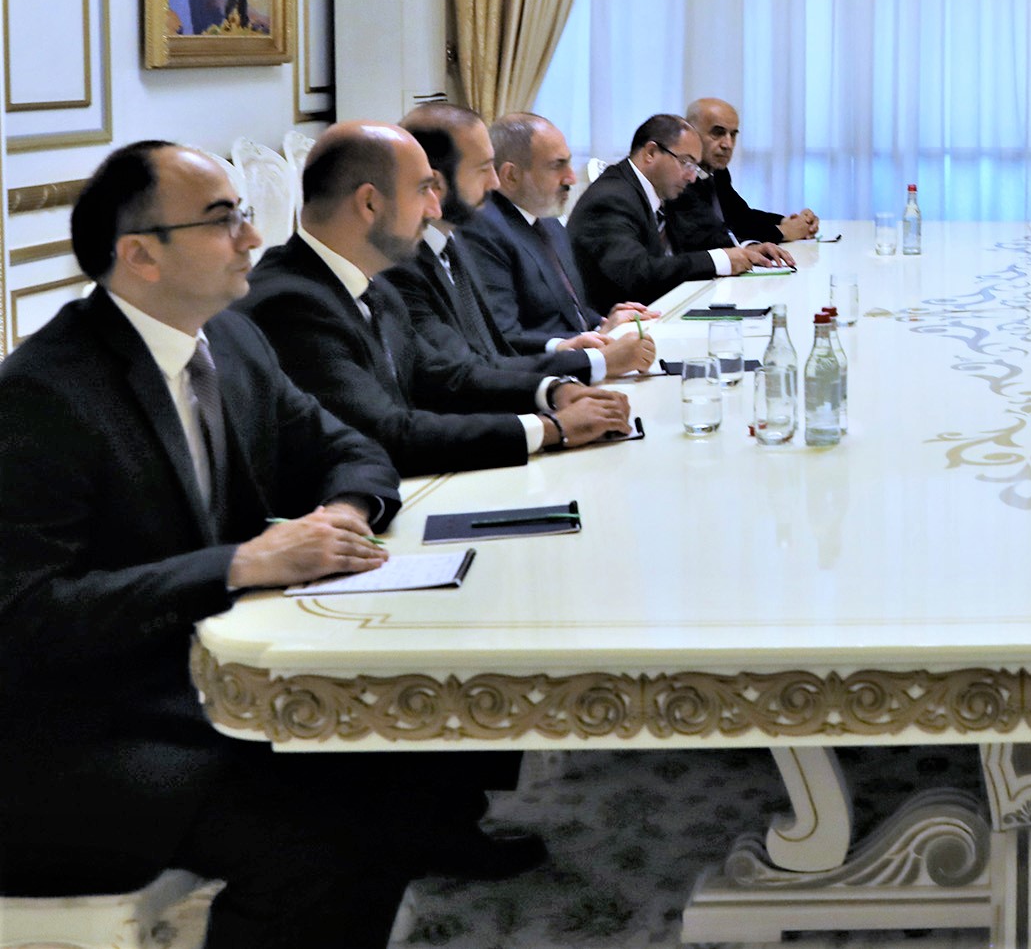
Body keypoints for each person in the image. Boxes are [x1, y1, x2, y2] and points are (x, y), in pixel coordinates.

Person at [0, 142, 480, 948]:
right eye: (224, 220)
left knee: (405, 766)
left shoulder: (232, 341)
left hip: (206, 686)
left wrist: (345, 511)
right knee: (320, 833)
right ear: (141, 255)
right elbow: (27, 616)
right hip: (75, 737)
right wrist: (240, 564)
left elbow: (351, 448)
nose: (254, 238)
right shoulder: (44, 394)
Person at [239, 122, 632, 476]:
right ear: (370, 203)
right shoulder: (290, 302)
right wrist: (551, 428)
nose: (434, 207)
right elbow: (387, 432)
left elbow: (447, 376)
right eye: (423, 189)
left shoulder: (373, 283)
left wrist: (553, 390)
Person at [386, 104, 655, 381]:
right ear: (434, 184)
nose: (494, 183)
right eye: (483, 169)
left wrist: (587, 339)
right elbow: (467, 371)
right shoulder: (410, 263)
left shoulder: (452, 243)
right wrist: (593, 363)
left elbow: (493, 351)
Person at [461, 111, 659, 347]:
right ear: (511, 175)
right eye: (557, 165)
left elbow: (568, 308)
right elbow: (505, 337)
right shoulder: (483, 232)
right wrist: (581, 343)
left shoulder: (549, 221)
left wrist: (604, 323)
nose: (571, 178)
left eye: (569, 162)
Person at [568, 112, 793, 310]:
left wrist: (744, 251)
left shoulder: (650, 191)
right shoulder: (613, 197)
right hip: (617, 327)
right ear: (651, 152)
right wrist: (719, 260)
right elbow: (637, 273)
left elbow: (690, 245)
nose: (692, 177)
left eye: (695, 167)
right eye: (686, 163)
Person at [667, 97, 819, 249]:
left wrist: (788, 221)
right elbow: (706, 236)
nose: (728, 144)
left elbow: (741, 216)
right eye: (718, 133)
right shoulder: (677, 177)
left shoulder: (718, 172)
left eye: (733, 135)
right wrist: (783, 232)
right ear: (690, 133)